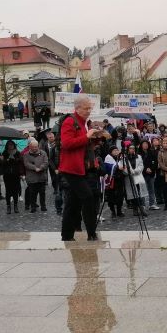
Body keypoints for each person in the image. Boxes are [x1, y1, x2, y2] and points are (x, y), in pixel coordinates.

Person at [59, 94, 102, 241]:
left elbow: (81, 144)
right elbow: (67, 143)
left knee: (73, 203)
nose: (89, 110)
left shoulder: (83, 122)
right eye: (86, 108)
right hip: (71, 168)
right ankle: (91, 233)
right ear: (77, 108)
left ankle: (67, 235)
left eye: (90, 107)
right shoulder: (70, 121)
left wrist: (95, 139)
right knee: (88, 197)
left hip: (79, 167)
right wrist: (87, 136)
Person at [23, 138, 49, 212]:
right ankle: (33, 207)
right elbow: (26, 164)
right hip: (32, 178)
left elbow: (46, 162)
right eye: (33, 147)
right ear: (30, 147)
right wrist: (35, 168)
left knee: (42, 193)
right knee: (32, 193)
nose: (35, 148)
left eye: (36, 146)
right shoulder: (26, 154)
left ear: (38, 146)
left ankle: (43, 206)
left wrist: (41, 168)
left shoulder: (43, 153)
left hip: (41, 177)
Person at [0, 140, 24, 214]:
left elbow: (20, 162)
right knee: (8, 191)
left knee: (15, 191)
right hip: (7, 175)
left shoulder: (17, 153)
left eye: (12, 145)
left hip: (15, 174)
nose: (10, 146)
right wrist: (6, 160)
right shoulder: (4, 153)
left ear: (14, 145)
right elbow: (2, 164)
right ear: (7, 146)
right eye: (9, 145)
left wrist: (15, 160)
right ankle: (8, 206)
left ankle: (15, 206)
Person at [103, 146, 126, 218]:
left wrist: (122, 160)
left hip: (120, 179)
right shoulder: (108, 158)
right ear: (111, 151)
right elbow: (109, 167)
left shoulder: (120, 157)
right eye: (114, 150)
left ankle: (119, 210)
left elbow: (123, 165)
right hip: (111, 180)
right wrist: (117, 167)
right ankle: (113, 211)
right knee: (111, 196)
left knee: (120, 195)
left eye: (117, 150)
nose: (116, 152)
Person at [46, 130, 63, 215]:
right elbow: (50, 160)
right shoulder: (54, 148)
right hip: (58, 171)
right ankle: (59, 209)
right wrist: (55, 169)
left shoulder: (66, 148)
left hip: (66, 171)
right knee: (58, 191)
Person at [138, 139, 158, 210]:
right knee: (142, 190)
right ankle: (142, 205)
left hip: (151, 174)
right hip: (142, 174)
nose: (145, 145)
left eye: (146, 143)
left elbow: (155, 162)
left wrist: (151, 169)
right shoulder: (138, 154)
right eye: (143, 144)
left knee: (151, 189)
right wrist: (146, 169)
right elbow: (139, 164)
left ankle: (152, 204)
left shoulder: (151, 152)